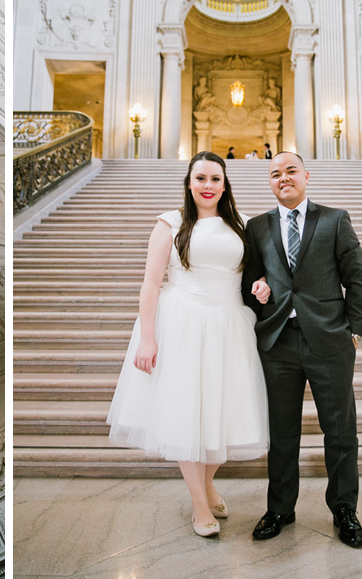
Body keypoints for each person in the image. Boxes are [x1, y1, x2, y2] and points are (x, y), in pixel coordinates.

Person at [107, 151, 271, 537]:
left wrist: (263, 285)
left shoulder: (245, 225)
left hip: (230, 321)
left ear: (225, 183)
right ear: (189, 182)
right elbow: (150, 283)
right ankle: (199, 505)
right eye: (200, 178)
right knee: (184, 414)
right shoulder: (170, 222)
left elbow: (258, 274)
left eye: (215, 179)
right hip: (181, 320)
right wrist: (147, 338)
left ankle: (208, 483)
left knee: (225, 412)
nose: (208, 186)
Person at [241, 152, 362, 548]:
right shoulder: (257, 225)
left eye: (290, 170)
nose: (283, 178)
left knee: (340, 430)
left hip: (330, 340)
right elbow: (249, 277)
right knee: (282, 433)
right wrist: (257, 287)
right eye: (275, 173)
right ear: (270, 182)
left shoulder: (334, 219)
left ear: (306, 176)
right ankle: (280, 508)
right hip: (278, 341)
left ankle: (344, 509)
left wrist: (356, 331)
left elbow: (356, 274)